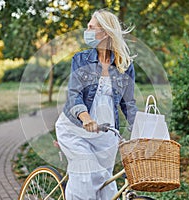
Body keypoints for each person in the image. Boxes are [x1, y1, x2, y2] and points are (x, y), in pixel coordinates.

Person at [55, 9, 138, 200]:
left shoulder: (124, 65)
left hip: (106, 136)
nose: (87, 30)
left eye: (91, 27)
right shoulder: (81, 59)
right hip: (76, 129)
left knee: (105, 188)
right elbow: (74, 94)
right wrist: (85, 118)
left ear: (106, 32)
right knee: (85, 181)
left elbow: (129, 104)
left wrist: (140, 131)